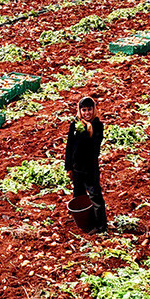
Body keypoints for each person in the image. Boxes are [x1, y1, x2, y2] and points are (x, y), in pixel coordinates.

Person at [64, 96, 107, 234]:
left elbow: (94, 146)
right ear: (80, 111)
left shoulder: (97, 126)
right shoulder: (74, 125)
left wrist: (88, 131)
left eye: (89, 110)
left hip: (90, 167)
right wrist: (68, 167)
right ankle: (83, 221)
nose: (87, 113)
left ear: (94, 110)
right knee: (79, 195)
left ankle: (100, 225)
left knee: (95, 196)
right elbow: (69, 147)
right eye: (84, 110)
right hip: (77, 167)